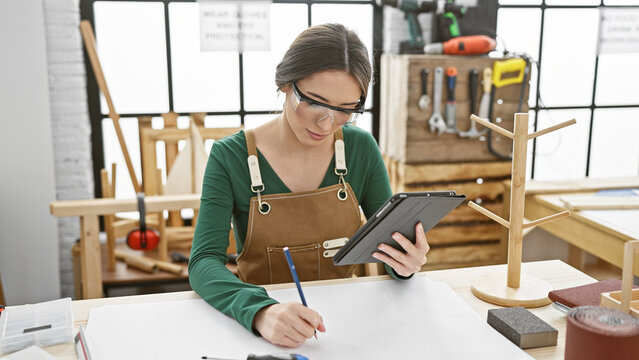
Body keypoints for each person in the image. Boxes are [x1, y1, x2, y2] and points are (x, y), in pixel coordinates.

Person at [189, 23, 430, 348]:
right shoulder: (229, 157)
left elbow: (389, 247)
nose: (327, 124)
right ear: (285, 84)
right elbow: (203, 261)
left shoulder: (361, 148)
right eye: (315, 102)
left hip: (350, 327)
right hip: (264, 331)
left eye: (346, 110)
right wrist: (260, 312)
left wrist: (405, 264)